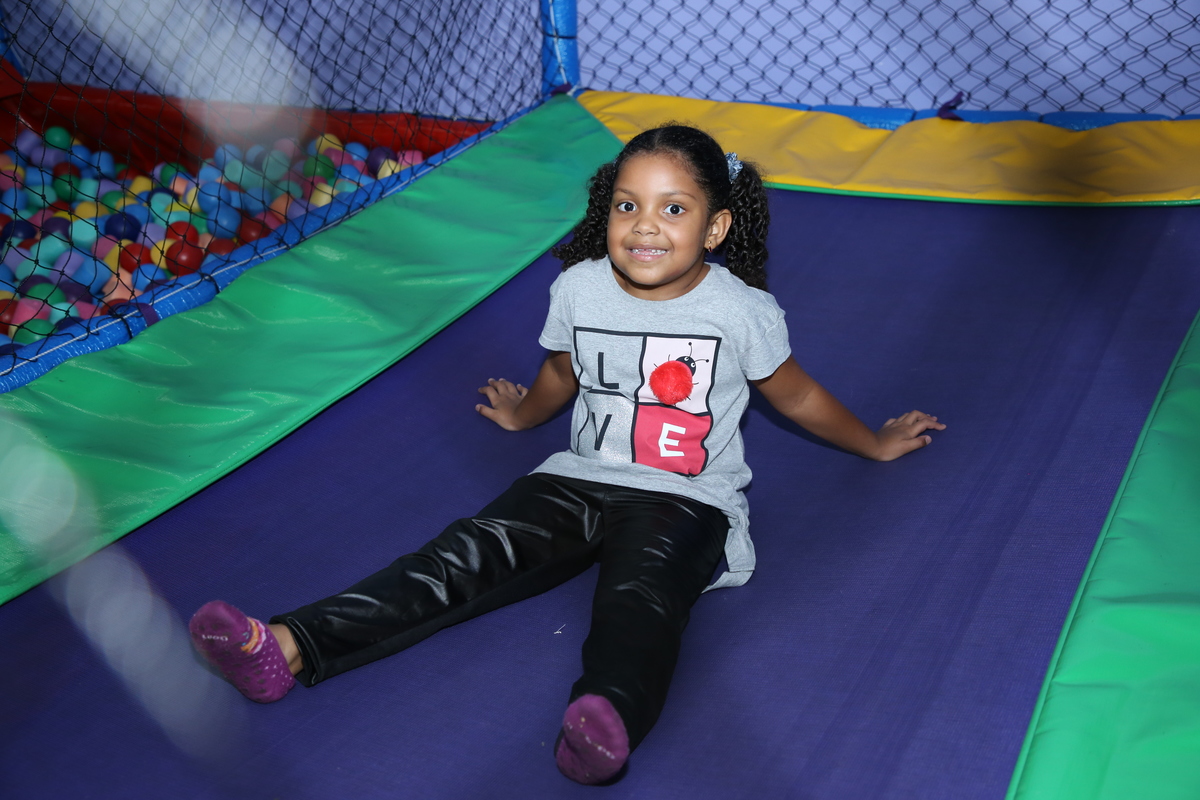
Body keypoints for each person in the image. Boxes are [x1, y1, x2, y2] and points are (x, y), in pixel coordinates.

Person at [189, 124, 946, 785]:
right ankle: (286, 646)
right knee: (460, 555)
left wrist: (873, 441)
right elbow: (563, 370)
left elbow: (796, 395)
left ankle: (603, 720)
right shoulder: (581, 287)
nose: (644, 227)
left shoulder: (739, 310)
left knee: (640, 603)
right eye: (627, 205)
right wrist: (524, 412)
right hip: (578, 480)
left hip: (685, 498)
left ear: (715, 228)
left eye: (673, 209)